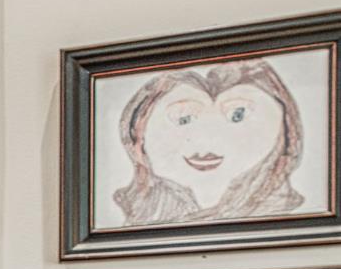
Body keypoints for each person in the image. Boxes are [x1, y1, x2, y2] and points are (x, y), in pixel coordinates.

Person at [113, 58, 304, 226]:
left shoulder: (285, 218)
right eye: (183, 118)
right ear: (137, 131)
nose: (206, 141)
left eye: (238, 115)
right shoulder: (141, 219)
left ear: (287, 128)